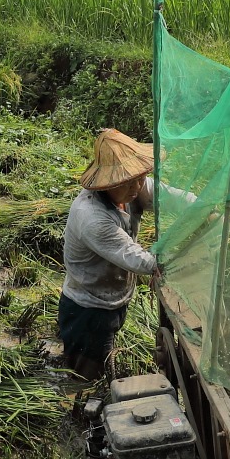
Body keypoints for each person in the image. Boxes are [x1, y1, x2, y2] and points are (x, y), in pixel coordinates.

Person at [58, 128, 161, 382]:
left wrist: (205, 208)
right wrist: (171, 262)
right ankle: (80, 411)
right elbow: (137, 258)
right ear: (108, 182)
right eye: (127, 181)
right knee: (85, 377)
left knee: (103, 358)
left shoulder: (132, 187)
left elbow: (170, 197)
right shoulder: (92, 217)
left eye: (139, 178)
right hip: (88, 309)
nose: (137, 186)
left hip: (113, 298)